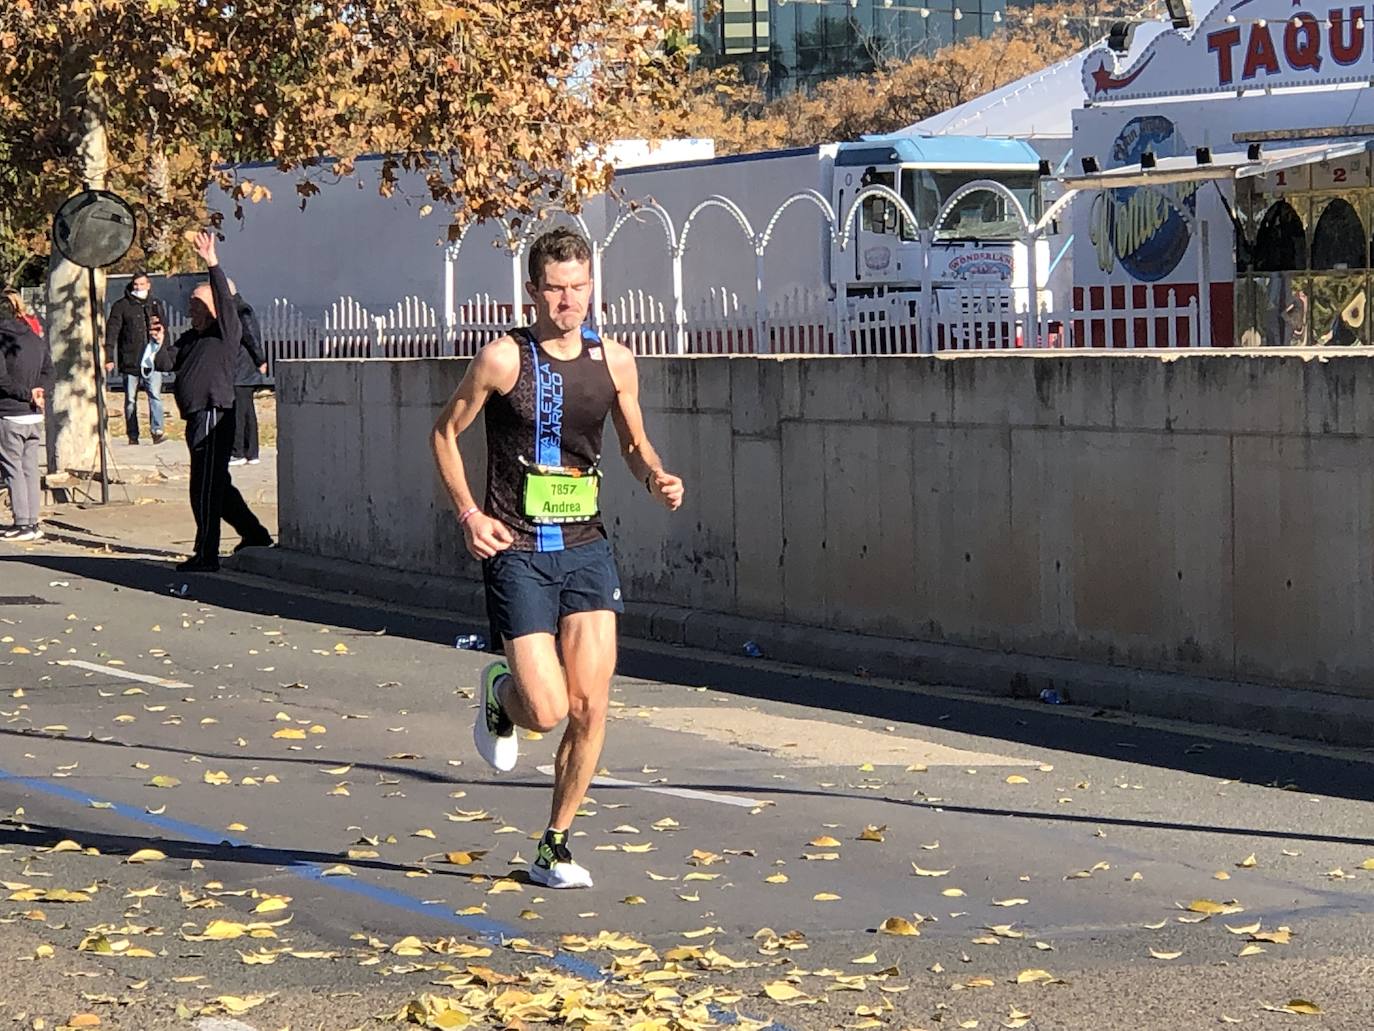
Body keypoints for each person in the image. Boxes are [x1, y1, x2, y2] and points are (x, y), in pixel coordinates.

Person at [431, 227, 685, 890]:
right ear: (533, 291)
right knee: (544, 710)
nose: (567, 301)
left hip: (586, 548)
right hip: (515, 548)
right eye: (555, 289)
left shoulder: (615, 361)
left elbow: (634, 445)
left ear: (592, 285)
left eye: (578, 287)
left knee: (591, 705)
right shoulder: (502, 359)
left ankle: (554, 843)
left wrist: (656, 474)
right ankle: (500, 694)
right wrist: (469, 513)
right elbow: (443, 433)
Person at [153, 232, 273, 572]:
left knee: (203, 488)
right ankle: (255, 533)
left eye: (196, 305)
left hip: (214, 412)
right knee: (217, 485)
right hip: (195, 416)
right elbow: (165, 363)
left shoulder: (225, 333)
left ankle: (206, 554)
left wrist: (212, 263)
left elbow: (224, 298)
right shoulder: (193, 338)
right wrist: (159, 342)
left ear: (212, 309)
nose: (190, 311)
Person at [0, 292, 53, 541]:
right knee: (30, 469)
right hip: (34, 415)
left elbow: (1, 379)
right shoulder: (34, 337)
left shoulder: (3, 339)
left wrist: (26, 394)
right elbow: (48, 370)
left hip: (10, 411)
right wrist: (39, 392)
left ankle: (22, 522)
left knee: (13, 468)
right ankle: (32, 521)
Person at [105, 272, 167, 445]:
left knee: (155, 395)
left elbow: (164, 330)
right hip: (130, 360)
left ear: (148, 285)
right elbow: (112, 333)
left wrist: (165, 354)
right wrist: (109, 356)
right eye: (136, 285)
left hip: (152, 360)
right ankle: (133, 435)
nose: (139, 288)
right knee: (130, 400)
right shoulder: (121, 306)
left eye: (142, 285)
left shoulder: (155, 304)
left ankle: (157, 430)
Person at [228, 281, 268, 467]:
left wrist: (260, 360)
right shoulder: (237, 308)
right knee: (246, 411)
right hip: (242, 367)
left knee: (239, 412)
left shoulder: (239, 310)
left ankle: (239, 451)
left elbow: (251, 336)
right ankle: (251, 452)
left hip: (242, 368)